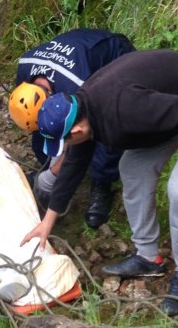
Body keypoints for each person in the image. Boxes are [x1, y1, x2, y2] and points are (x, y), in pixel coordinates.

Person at [20, 50, 178, 315]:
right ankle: (148, 257)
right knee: (132, 167)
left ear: (77, 131)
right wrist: (48, 221)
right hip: (173, 110)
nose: (66, 147)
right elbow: (74, 166)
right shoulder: (83, 109)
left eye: (64, 141)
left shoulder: (123, 109)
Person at [8, 29, 135, 228]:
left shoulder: (79, 86)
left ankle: (102, 184)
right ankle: (50, 167)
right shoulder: (25, 67)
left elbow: (78, 135)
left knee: (103, 129)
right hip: (76, 52)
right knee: (44, 143)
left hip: (111, 53)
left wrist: (54, 175)